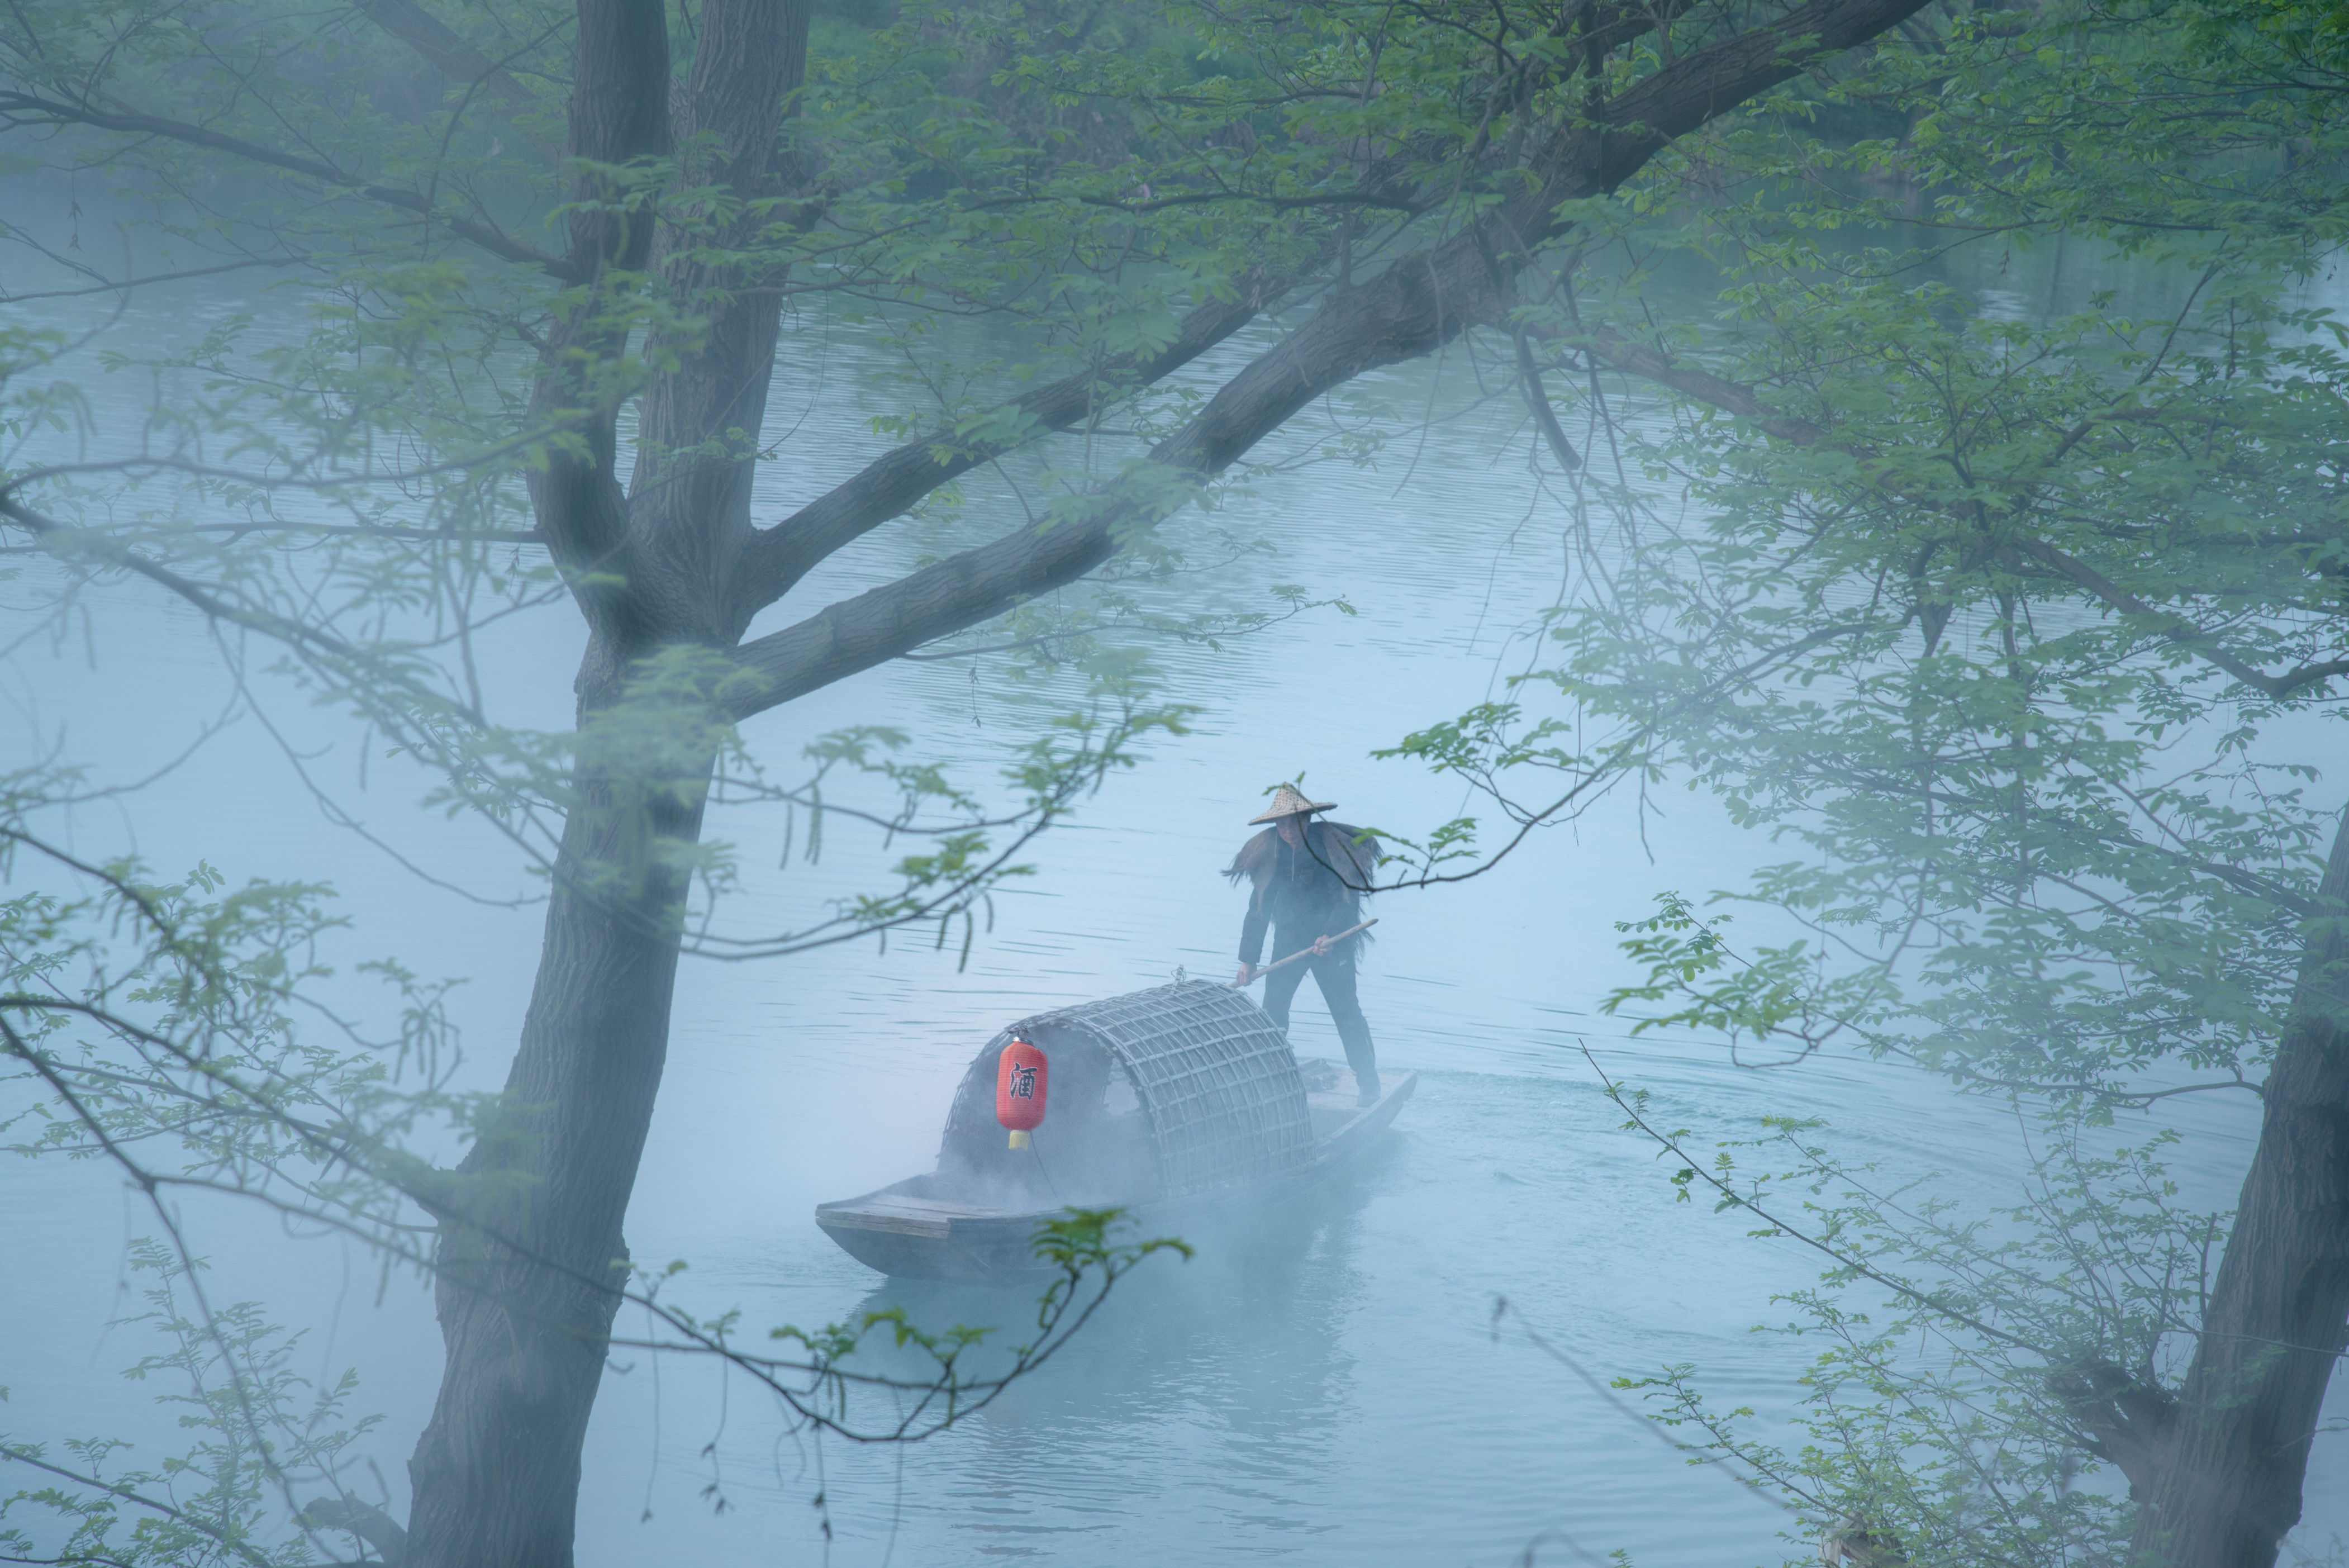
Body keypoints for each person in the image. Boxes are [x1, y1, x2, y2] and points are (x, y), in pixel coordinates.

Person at [1227, 783, 1382, 1105]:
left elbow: (1348, 899)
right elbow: (1258, 909)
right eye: (1282, 824)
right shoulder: (1271, 852)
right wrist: (1248, 960)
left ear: (1308, 819)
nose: (1288, 831)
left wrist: (1330, 934)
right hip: (1289, 939)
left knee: (1346, 1013)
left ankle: (1369, 1084)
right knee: (1273, 1013)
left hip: (1334, 941)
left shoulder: (1332, 848)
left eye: (1294, 823)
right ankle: (1269, 1086)